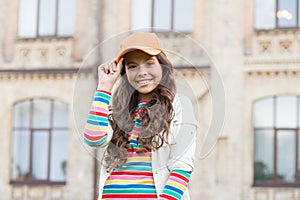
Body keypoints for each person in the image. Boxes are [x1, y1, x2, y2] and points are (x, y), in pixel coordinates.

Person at [84, 32, 198, 200]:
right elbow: (94, 139)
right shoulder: (118, 109)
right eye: (132, 66)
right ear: (124, 73)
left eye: (149, 63)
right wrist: (104, 86)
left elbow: (182, 167)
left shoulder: (180, 106)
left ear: (162, 66)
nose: (142, 72)